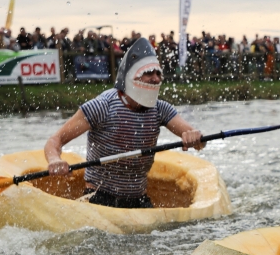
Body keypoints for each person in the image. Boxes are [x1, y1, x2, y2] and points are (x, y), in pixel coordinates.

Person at [44, 38, 204, 209]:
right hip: (99, 199)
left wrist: (195, 138)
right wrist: (54, 160)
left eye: (158, 74)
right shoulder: (102, 106)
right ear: (130, 76)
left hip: (139, 201)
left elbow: (196, 137)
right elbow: (55, 140)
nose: (156, 79)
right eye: (149, 73)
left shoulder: (160, 109)